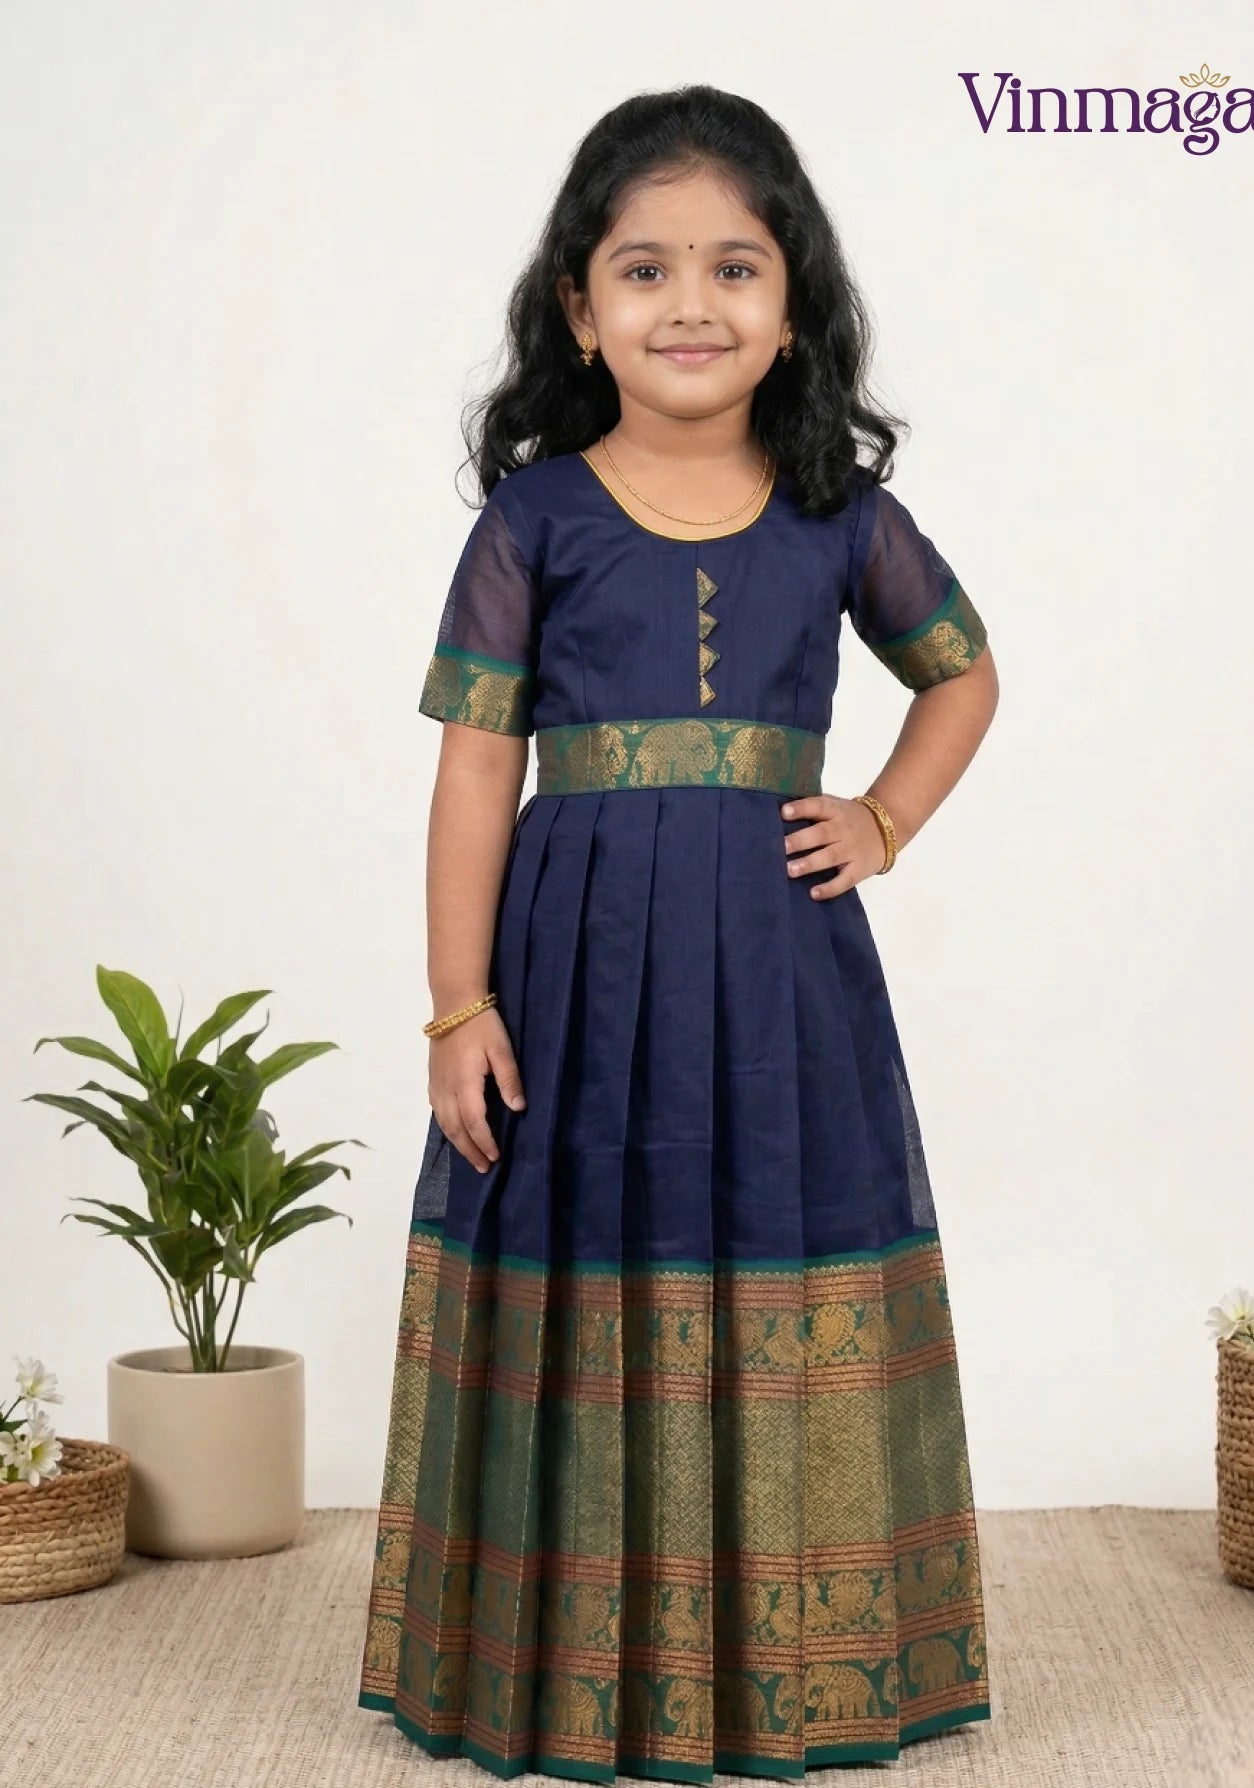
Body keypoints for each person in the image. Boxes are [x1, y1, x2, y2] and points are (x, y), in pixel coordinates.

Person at [357, 83, 999, 1784]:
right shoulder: (533, 521)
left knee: (778, 1245)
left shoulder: (842, 514)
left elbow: (962, 677)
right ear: (580, 311)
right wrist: (455, 1007)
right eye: (643, 270)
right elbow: (475, 770)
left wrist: (881, 817)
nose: (690, 304)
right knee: (587, 1261)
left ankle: (774, 1667)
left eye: (734, 267)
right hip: (568, 980)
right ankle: (572, 1671)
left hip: (782, 984)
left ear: (793, 306)